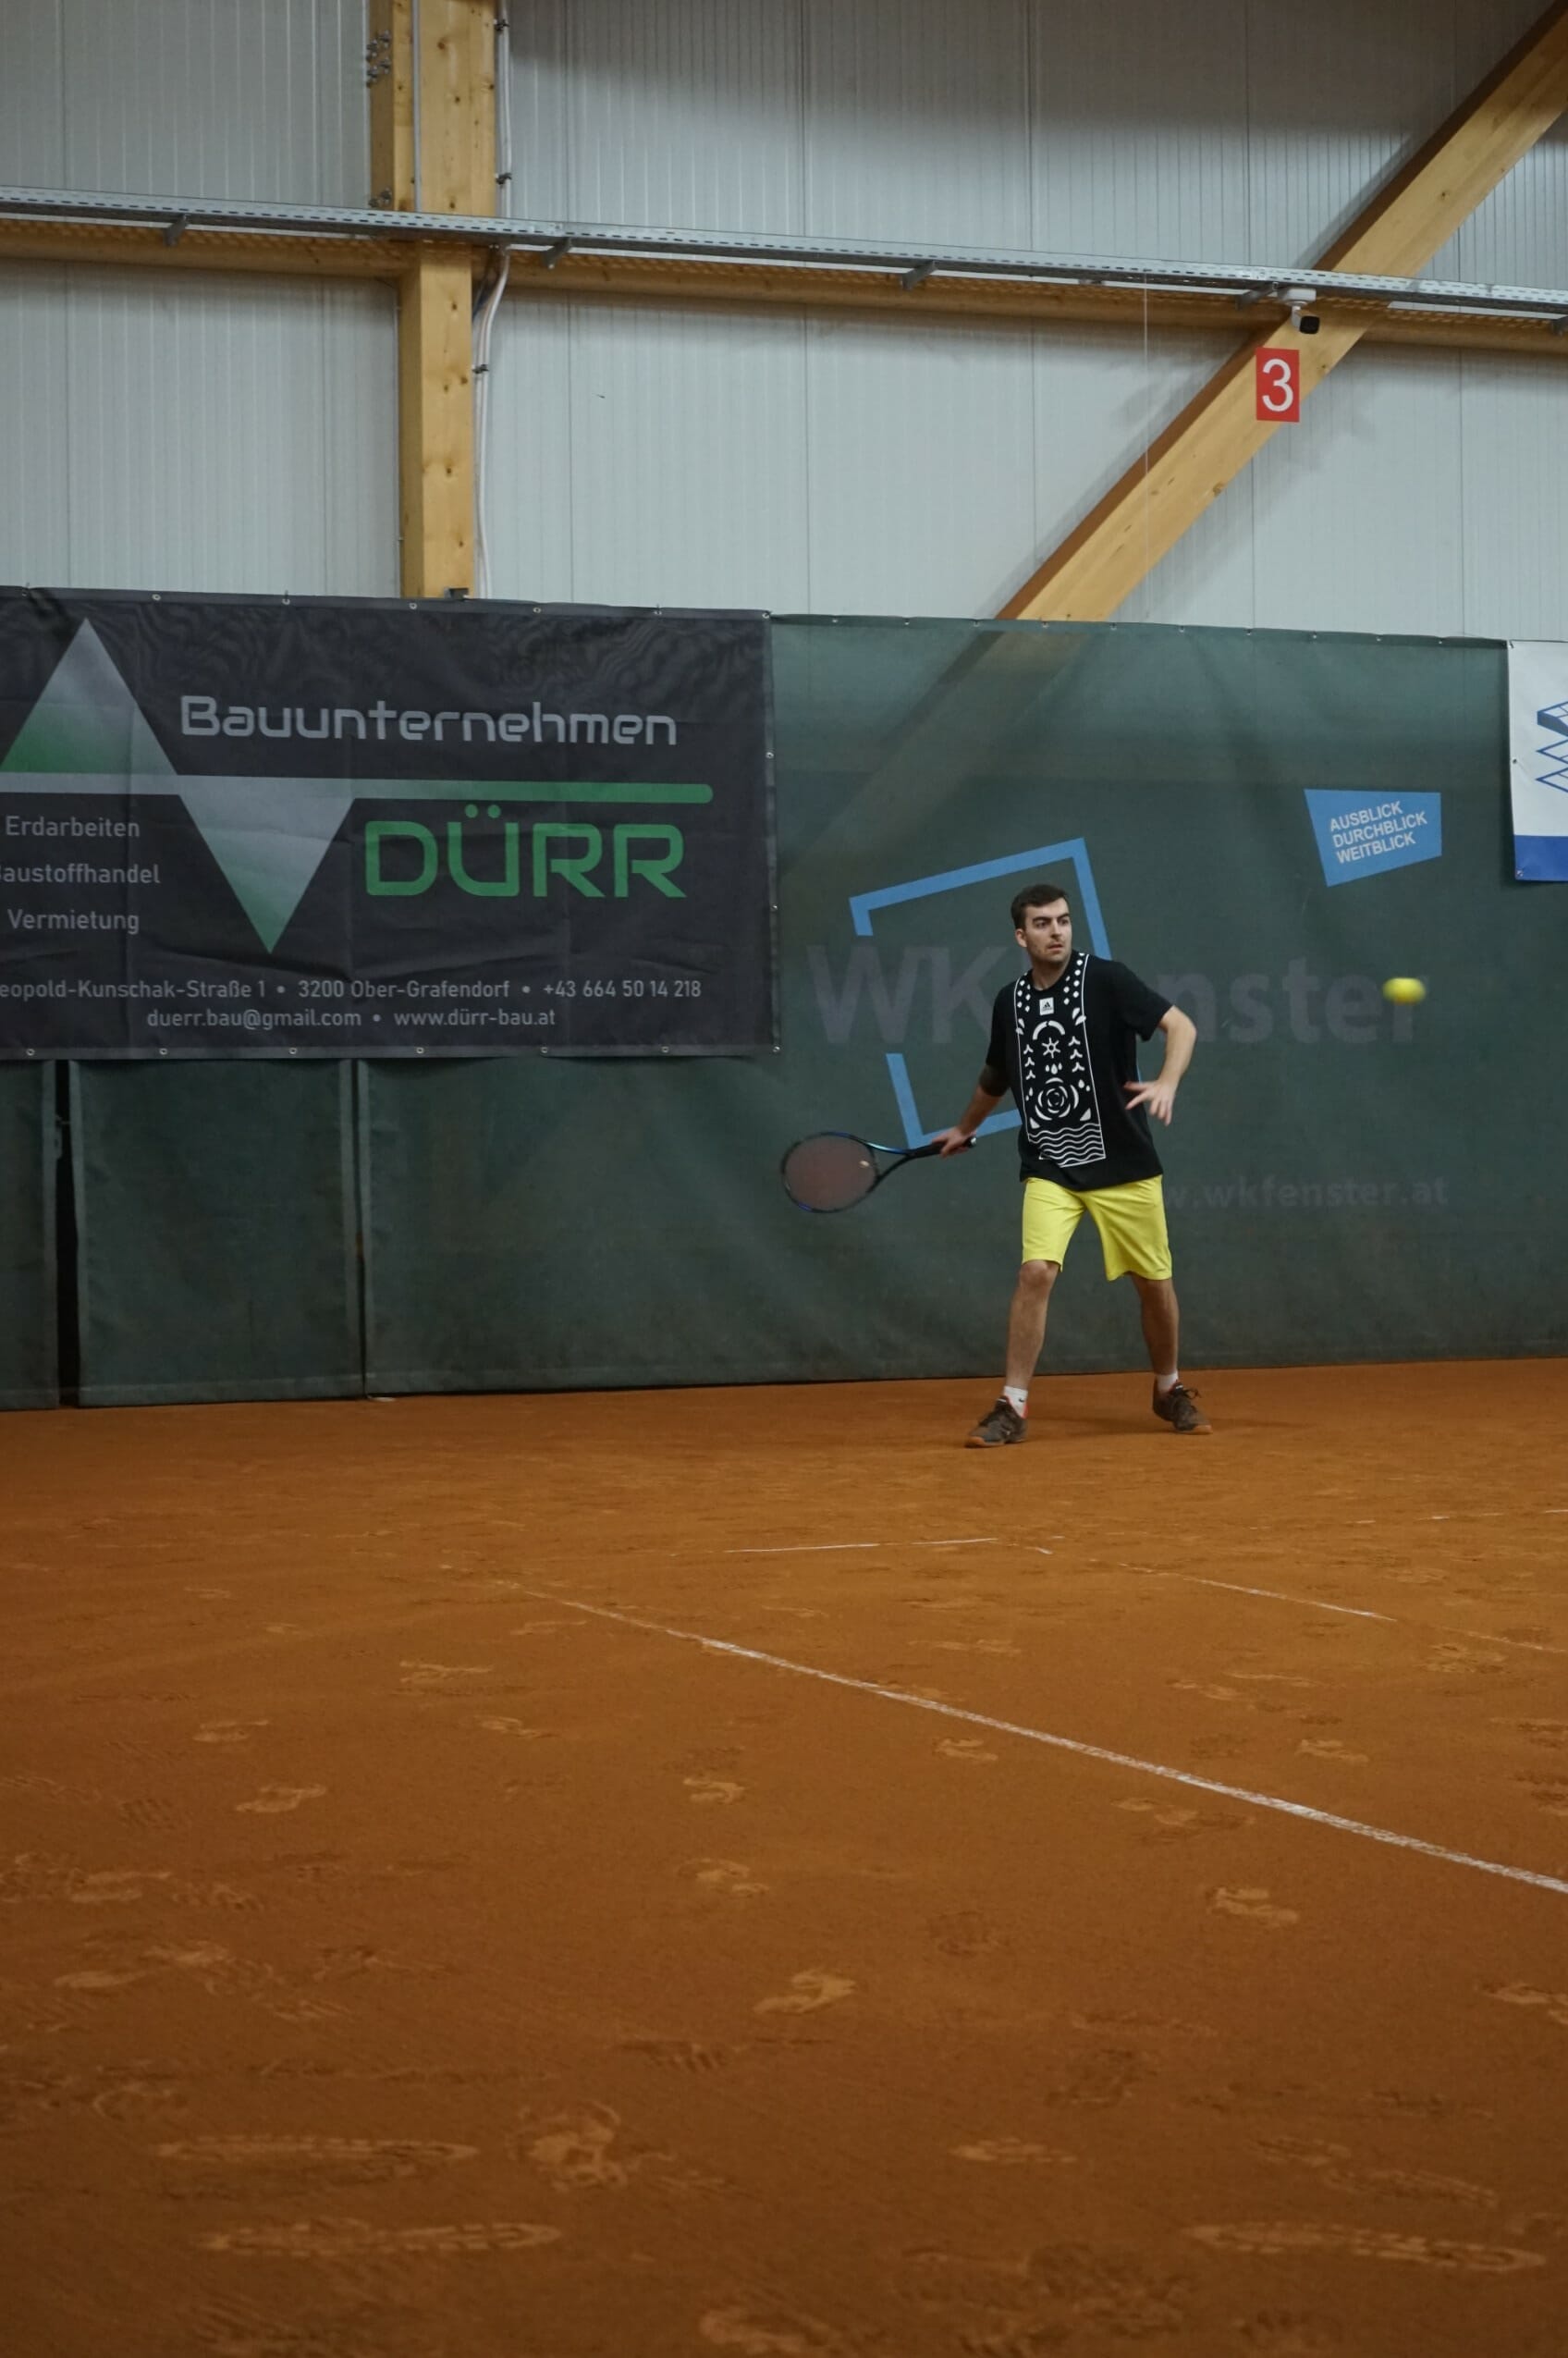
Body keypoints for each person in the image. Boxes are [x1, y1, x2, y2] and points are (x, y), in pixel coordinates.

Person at [937, 882, 1209, 1444]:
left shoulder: (1106, 980)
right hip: (1050, 1165)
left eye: (1062, 920)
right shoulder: (1009, 1002)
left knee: (1153, 1284)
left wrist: (1167, 1081)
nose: (1056, 931)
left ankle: (1168, 1387)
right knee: (1035, 1272)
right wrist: (966, 1127)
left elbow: (1181, 1026)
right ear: (1021, 936)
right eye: (1042, 923)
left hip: (1124, 1165)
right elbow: (996, 1076)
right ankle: (1011, 1405)